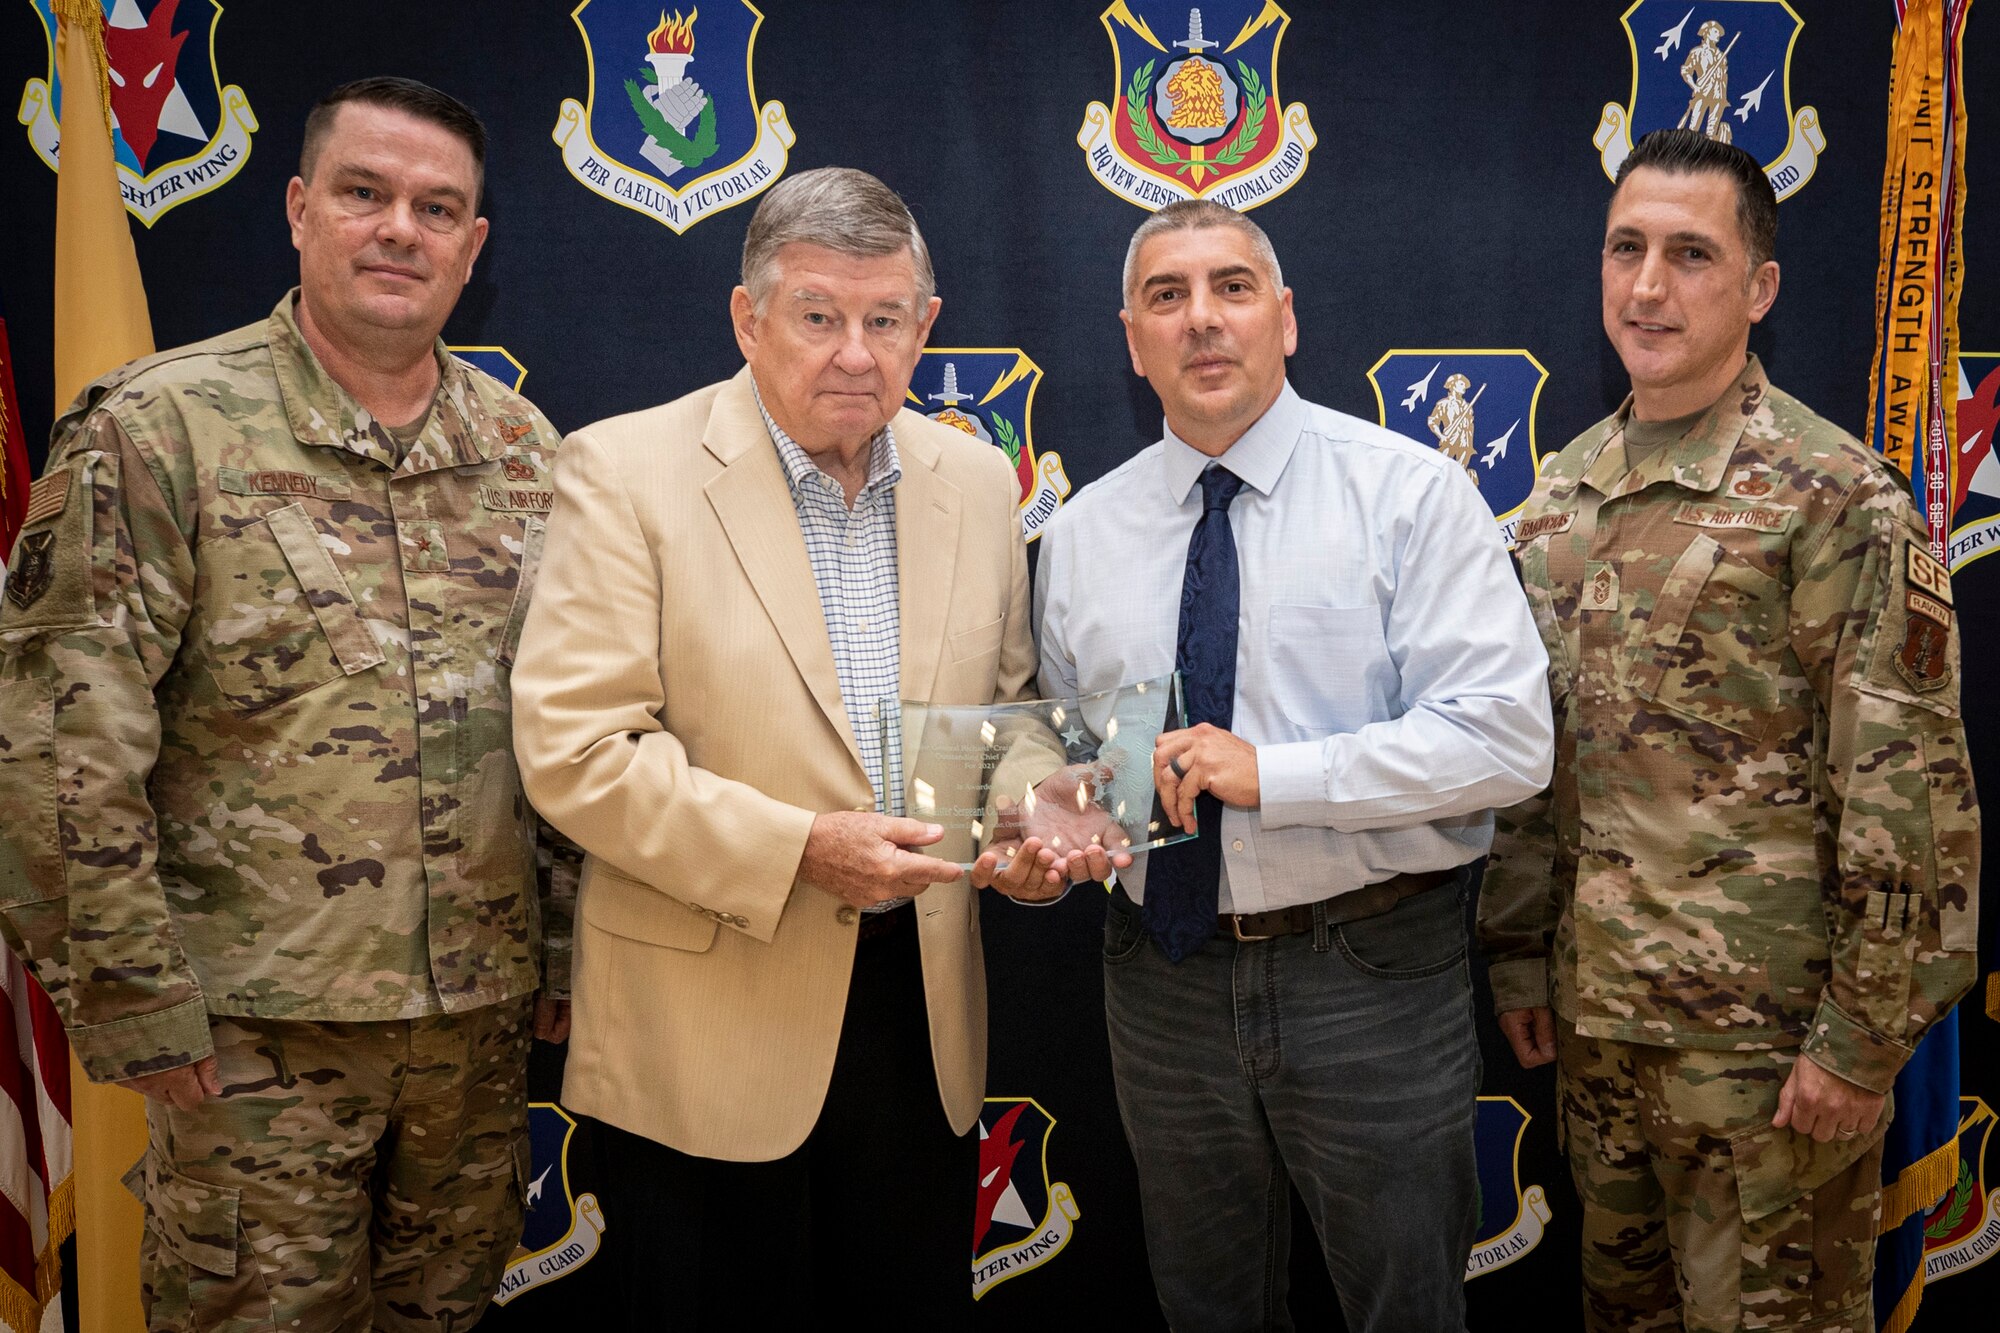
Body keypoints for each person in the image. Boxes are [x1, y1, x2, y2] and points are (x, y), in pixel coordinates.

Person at [0, 77, 571, 1329]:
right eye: (365, 194)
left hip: (474, 1029)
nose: (398, 230)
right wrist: (132, 998)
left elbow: (569, 732)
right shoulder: (161, 430)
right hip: (247, 1041)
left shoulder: (531, 452)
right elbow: (59, 744)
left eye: (437, 208)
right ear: (301, 209)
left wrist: (568, 961)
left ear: (474, 248)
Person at [508, 167, 1104, 1329]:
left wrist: (1038, 812)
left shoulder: (979, 483)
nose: (852, 353)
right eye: (817, 316)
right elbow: (578, 749)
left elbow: (1009, 715)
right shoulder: (622, 469)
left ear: (924, 327)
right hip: (706, 1031)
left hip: (917, 1024)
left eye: (883, 321)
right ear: (747, 318)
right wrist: (797, 848)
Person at [1479, 128, 1980, 1332]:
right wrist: (1515, 948)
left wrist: (1859, 1043)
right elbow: (1533, 757)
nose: (1646, 287)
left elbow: (1908, 797)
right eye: (1625, 249)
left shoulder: (1836, 499)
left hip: (1769, 1066)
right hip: (1600, 1039)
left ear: (1757, 287)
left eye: (1689, 255)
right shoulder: (1557, 497)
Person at [1034, 198, 1554, 1330]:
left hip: (1366, 970)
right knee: (1205, 1306)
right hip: (1159, 981)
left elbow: (1507, 736)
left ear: (1286, 319)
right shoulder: (1078, 536)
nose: (1201, 321)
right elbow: (1079, 752)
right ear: (1131, 339)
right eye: (1165, 297)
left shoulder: (1409, 495)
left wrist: (1277, 773)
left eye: (1230, 288)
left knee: (1401, 1308)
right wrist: (1052, 819)